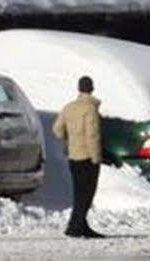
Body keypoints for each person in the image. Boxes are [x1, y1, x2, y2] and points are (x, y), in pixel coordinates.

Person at [52, 75, 105, 239]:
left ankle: (81, 225)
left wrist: (70, 139)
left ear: (79, 89)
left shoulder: (69, 107)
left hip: (73, 156)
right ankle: (74, 226)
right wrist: (96, 157)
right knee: (87, 194)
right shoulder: (90, 109)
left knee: (79, 193)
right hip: (88, 157)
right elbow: (93, 135)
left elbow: (57, 129)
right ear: (92, 88)